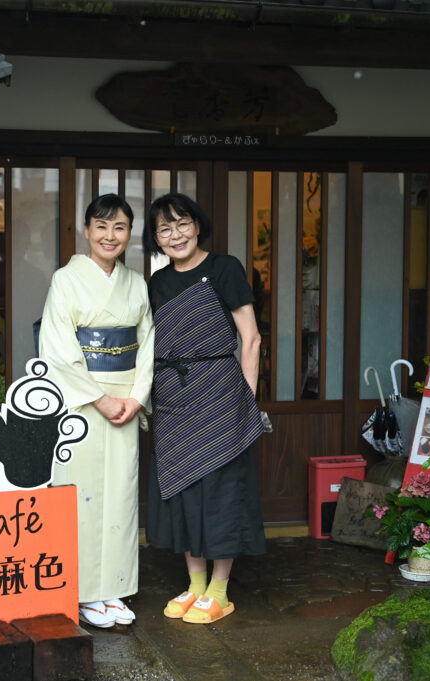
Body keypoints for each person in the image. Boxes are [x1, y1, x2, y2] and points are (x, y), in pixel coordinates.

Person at [142, 192, 266, 625]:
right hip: (172, 398)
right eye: (164, 228)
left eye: (182, 223)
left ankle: (219, 589)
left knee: (221, 493)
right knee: (183, 489)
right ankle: (195, 585)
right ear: (156, 238)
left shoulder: (223, 268)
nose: (175, 234)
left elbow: (250, 339)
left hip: (219, 393)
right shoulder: (157, 283)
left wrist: (245, 402)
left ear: (198, 225)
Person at [38, 193, 154, 629]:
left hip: (125, 399)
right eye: (101, 226)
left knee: (121, 496)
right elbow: (58, 349)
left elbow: (148, 345)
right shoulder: (66, 280)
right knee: (81, 495)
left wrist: (136, 397)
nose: (110, 235)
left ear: (129, 234)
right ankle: (83, 592)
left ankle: (114, 588)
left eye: (119, 227)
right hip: (83, 404)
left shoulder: (137, 283)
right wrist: (100, 399)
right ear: (86, 230)